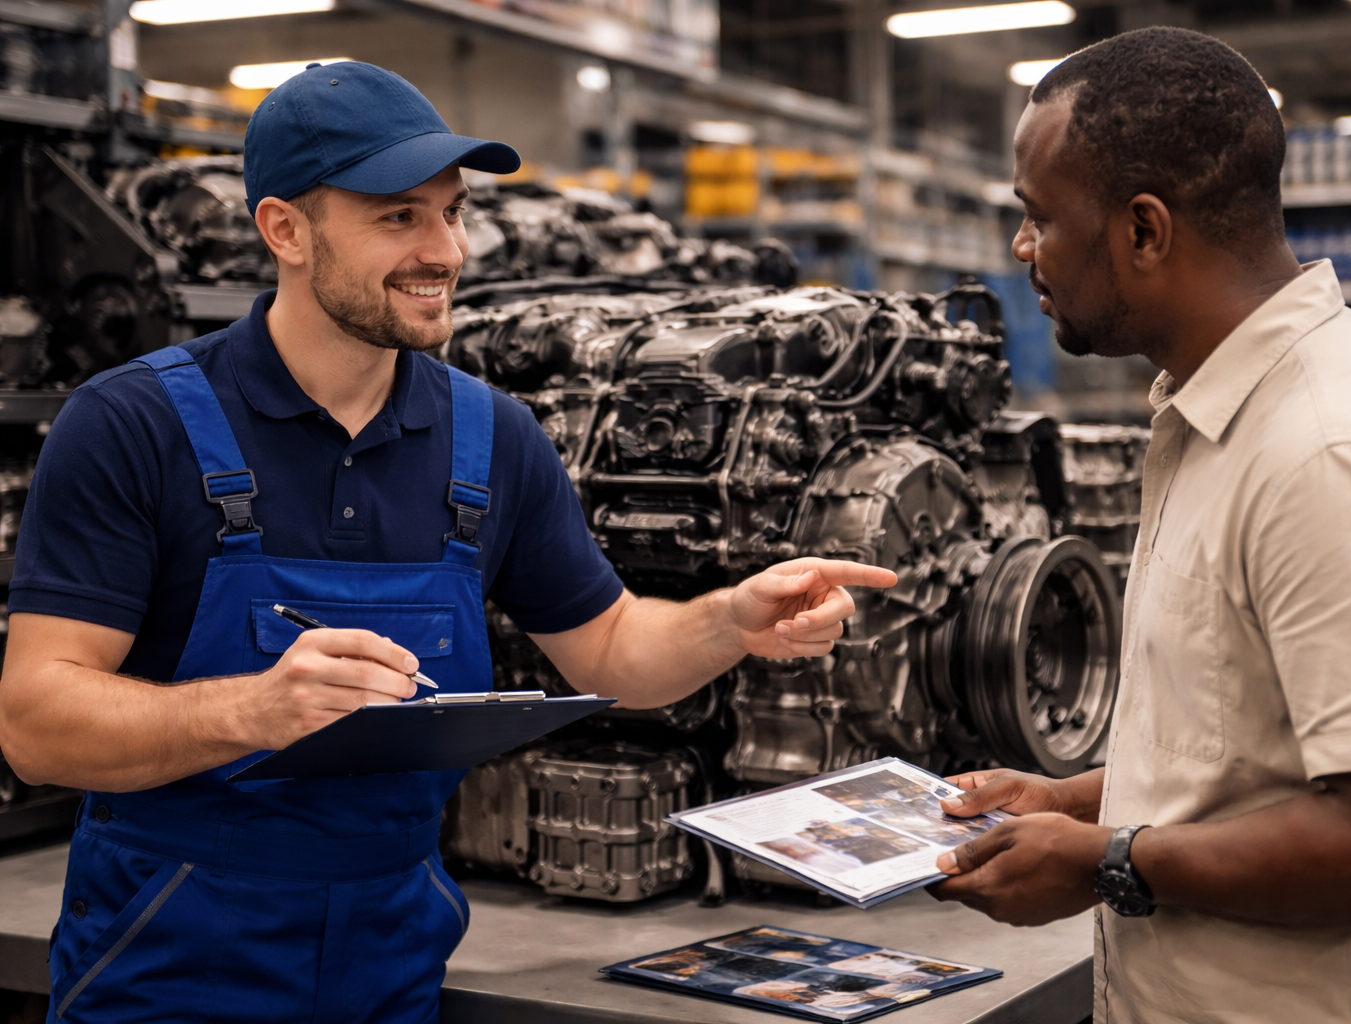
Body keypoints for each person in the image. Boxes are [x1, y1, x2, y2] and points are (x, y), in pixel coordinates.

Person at [0, 62, 895, 1022]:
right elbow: (37, 727)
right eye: (399, 217)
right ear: (284, 230)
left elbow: (611, 649)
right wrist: (255, 710)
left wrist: (731, 621)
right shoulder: (132, 425)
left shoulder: (492, 436)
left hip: (391, 966)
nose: (446, 251)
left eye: (454, 212)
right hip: (168, 966)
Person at [929, 27, 1351, 1023]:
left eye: (1038, 217)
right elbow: (1251, 756)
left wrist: (1111, 859)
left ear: (1145, 231)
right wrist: (1071, 802)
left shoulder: (1336, 456)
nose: (1021, 248)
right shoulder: (1222, 418)